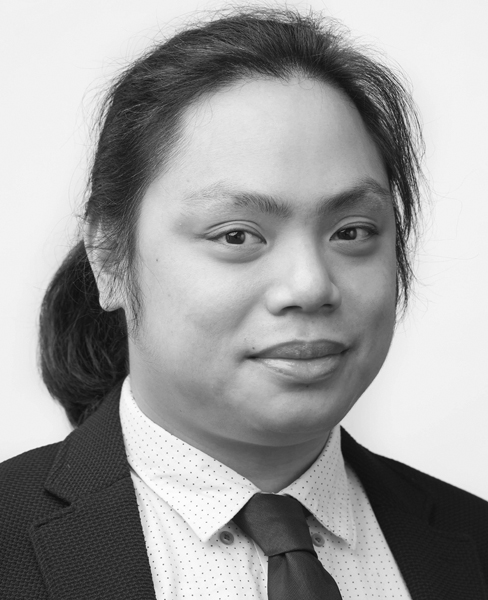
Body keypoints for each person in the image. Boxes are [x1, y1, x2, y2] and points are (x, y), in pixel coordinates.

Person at [1, 7, 487, 600]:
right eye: (237, 235)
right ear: (108, 257)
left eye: (352, 231)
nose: (310, 286)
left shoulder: (474, 542)